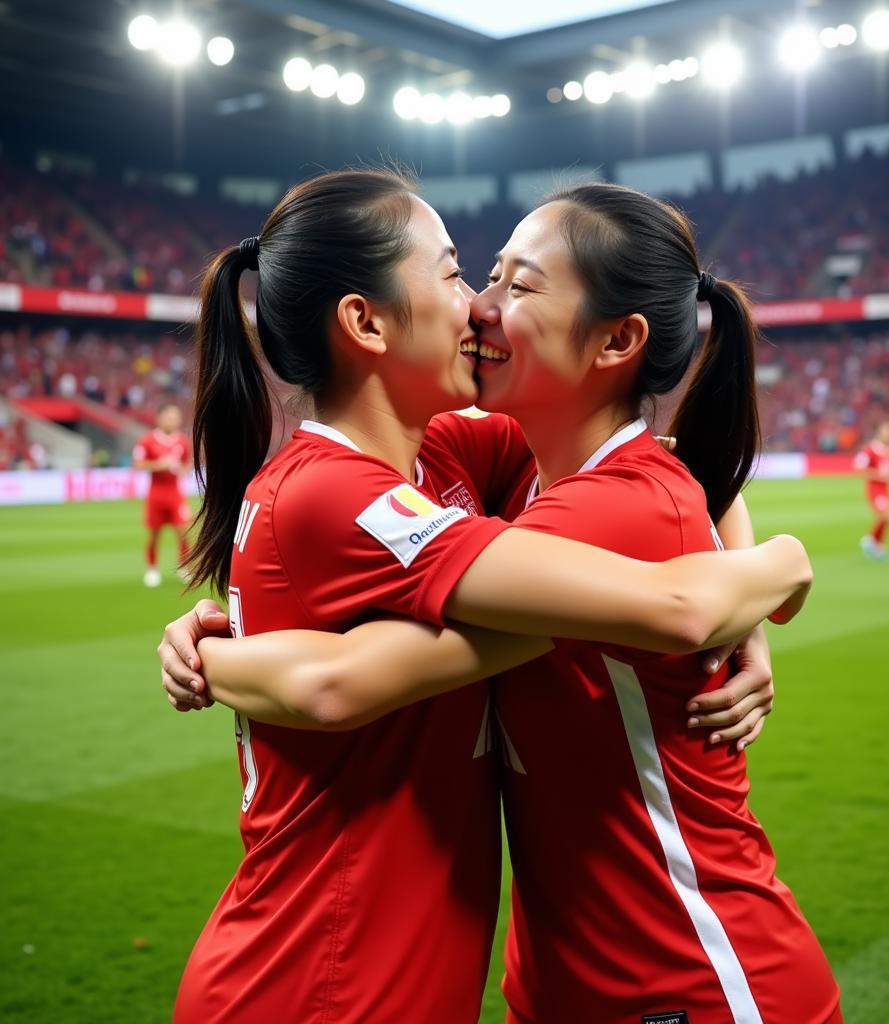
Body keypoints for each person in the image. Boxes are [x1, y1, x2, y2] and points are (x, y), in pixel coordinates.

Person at [162, 180, 837, 1022]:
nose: (478, 306)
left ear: (618, 340)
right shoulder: (376, 482)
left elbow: (674, 481)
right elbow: (669, 573)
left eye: (511, 286)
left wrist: (760, 571)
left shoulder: (460, 465)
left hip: (673, 975)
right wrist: (767, 574)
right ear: (366, 324)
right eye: (462, 277)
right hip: (327, 981)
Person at [132, 401, 191, 586]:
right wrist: (159, 465)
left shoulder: (183, 441)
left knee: (183, 531)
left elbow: (187, 465)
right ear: (160, 418)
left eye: (176, 417)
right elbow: (138, 464)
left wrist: (182, 469)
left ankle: (183, 567)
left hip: (175, 493)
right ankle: (152, 569)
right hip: (156, 493)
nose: (174, 420)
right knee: (154, 534)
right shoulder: (147, 441)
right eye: (170, 416)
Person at [854, 420, 889, 561]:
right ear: (879, 433)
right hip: (875, 488)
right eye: (887, 431)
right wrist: (879, 476)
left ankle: (878, 547)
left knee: (888, 518)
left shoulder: (887, 451)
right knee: (885, 516)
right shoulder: (870, 449)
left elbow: (888, 471)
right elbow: (859, 467)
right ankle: (869, 541)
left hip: (885, 489)